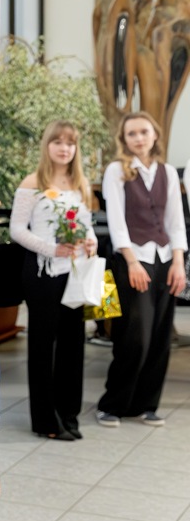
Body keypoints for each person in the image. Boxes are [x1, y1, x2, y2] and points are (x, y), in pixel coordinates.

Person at [96, 111, 186, 427]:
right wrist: (132, 261)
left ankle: (147, 405)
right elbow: (116, 221)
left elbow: (175, 220)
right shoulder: (116, 171)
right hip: (131, 259)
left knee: (160, 337)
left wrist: (179, 262)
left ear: (155, 135)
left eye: (144, 132)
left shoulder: (167, 172)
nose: (138, 138)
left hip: (165, 259)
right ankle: (113, 404)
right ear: (124, 138)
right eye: (131, 133)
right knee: (134, 337)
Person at [9, 121, 98, 441]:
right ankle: (46, 421)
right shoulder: (33, 182)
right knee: (43, 346)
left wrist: (91, 242)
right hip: (43, 273)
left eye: (70, 143)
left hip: (74, 273)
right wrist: (52, 249)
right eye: (58, 142)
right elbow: (17, 229)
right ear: (47, 145)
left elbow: (86, 224)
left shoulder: (80, 183)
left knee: (74, 345)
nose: (64, 148)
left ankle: (69, 414)